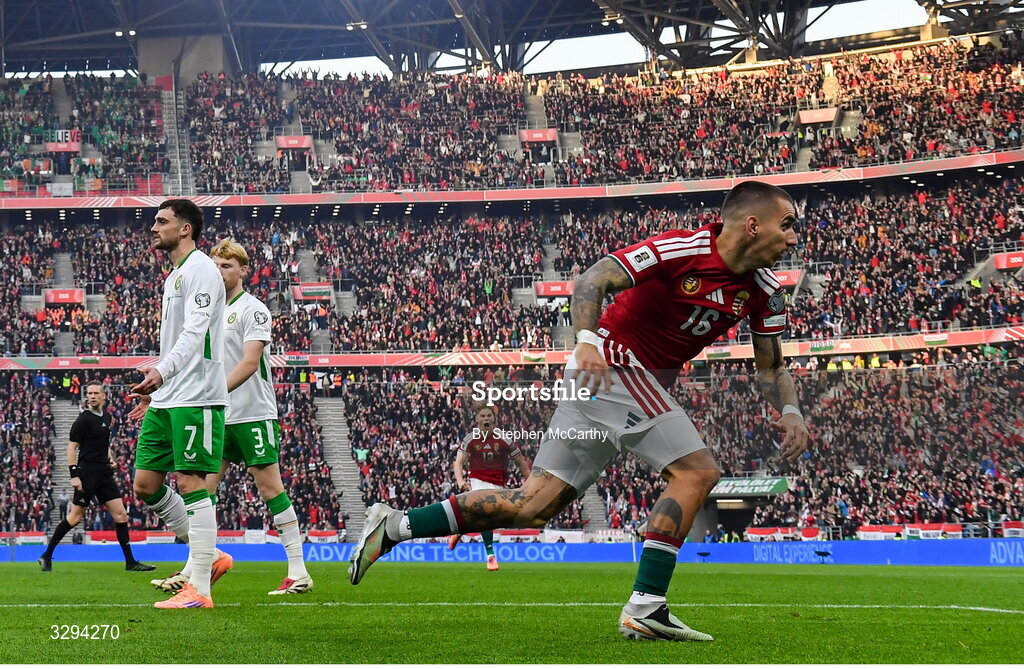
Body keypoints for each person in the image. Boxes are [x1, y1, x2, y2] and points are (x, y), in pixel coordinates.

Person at [348, 180, 812, 642]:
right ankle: (646, 605)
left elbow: (770, 365)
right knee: (696, 472)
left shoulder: (765, 289)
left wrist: (790, 409)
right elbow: (593, 279)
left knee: (531, 508)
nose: (794, 238)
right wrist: (587, 342)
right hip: (612, 366)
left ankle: (393, 525)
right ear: (752, 225)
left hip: (609, 384)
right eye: (787, 225)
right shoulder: (682, 249)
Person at [151, 239, 313, 596]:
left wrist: (213, 395)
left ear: (243, 270)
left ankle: (298, 570)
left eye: (227, 266)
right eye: (217, 265)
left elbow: (249, 362)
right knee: (201, 492)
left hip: (251, 413)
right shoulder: (207, 308)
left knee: (270, 488)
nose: (220, 272)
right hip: (218, 414)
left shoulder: (253, 309)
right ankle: (196, 570)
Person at [127, 199, 231, 609]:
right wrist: (159, 386)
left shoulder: (203, 269)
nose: (154, 227)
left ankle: (200, 589)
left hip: (197, 393)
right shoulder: (175, 276)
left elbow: (195, 332)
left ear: (185, 228)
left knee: (189, 482)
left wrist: (162, 371)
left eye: (162, 221)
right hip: (169, 394)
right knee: (146, 485)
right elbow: (177, 340)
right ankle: (210, 554)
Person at [38, 381, 155, 573]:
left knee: (121, 515)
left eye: (95, 393)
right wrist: (74, 475)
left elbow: (103, 444)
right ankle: (47, 555)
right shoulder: (83, 419)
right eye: (89, 393)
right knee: (75, 518)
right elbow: (71, 447)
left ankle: (130, 562)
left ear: (103, 396)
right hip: (87, 474)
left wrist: (111, 458)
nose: (91, 396)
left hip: (104, 474)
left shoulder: (106, 417)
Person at [447, 404, 532, 571]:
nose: (486, 419)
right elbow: (458, 462)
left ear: (494, 418)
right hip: (477, 480)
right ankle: (490, 555)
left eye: (489, 416)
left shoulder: (504, 439)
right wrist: (460, 480)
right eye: (483, 416)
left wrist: (531, 483)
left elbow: (521, 462)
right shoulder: (470, 439)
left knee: (489, 518)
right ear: (477, 419)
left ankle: (459, 531)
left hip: (498, 483)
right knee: (486, 513)